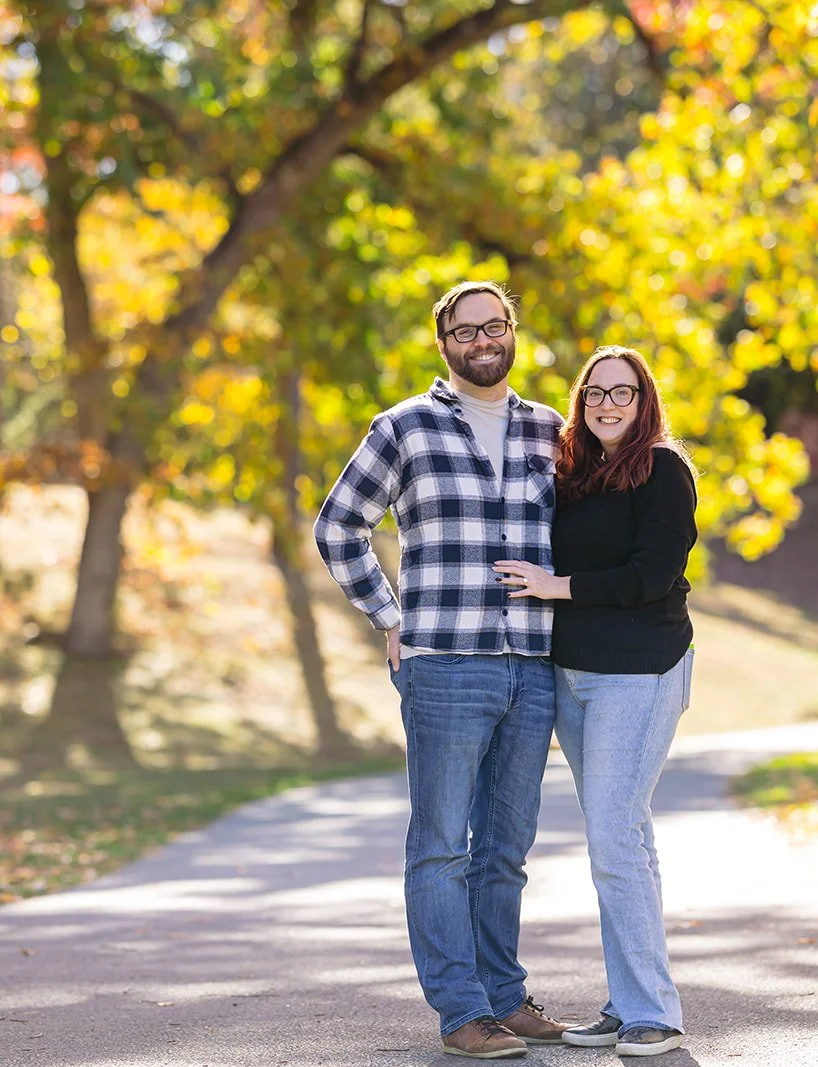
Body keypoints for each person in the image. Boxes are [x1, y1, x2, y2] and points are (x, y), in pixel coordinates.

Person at [314, 281, 567, 1060]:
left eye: (495, 325)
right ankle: (462, 1011)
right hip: (446, 663)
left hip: (533, 665)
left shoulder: (550, 430)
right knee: (441, 846)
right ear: (444, 342)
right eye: (466, 330)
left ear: (512, 331)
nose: (483, 340)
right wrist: (388, 615)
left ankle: (504, 996)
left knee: (505, 849)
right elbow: (339, 525)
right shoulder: (404, 427)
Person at [493, 345, 698, 1058]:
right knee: (623, 836)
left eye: (623, 392)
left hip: (640, 671)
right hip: (572, 674)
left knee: (613, 837)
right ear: (581, 402)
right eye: (595, 393)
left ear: (645, 402)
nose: (607, 404)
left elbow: (653, 574)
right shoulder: (576, 474)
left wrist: (557, 586)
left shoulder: (664, 468)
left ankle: (653, 1013)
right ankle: (629, 1000)